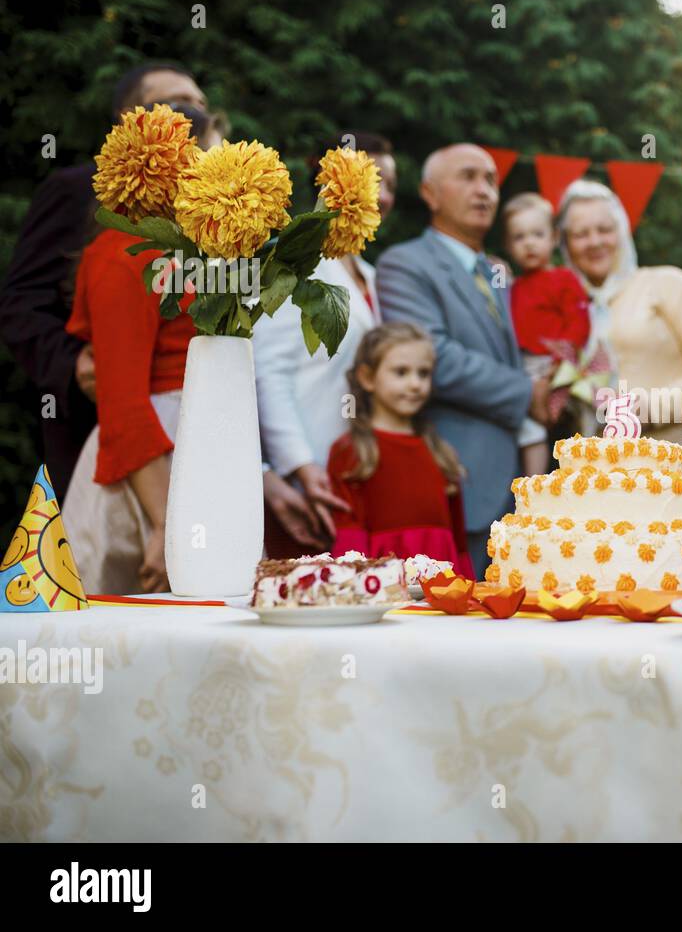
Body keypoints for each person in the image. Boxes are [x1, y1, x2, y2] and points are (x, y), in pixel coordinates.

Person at [0, 63, 206, 500]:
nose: (191, 114)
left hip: (190, 431)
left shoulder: (203, 210)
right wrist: (72, 364)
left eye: (200, 105)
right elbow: (20, 304)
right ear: (126, 119)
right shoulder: (76, 191)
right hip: (97, 421)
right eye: (174, 104)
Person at [59, 105, 219, 595]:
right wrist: (165, 526)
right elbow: (122, 398)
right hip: (149, 476)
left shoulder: (191, 251)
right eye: (205, 153)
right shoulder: (120, 254)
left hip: (193, 449)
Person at [376, 143, 550, 577]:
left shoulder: (497, 272)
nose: (484, 191)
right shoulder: (404, 264)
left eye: (491, 180)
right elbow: (434, 356)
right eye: (468, 177)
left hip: (520, 488)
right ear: (430, 194)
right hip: (456, 480)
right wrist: (527, 392)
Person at [253, 131, 398, 557]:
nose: (384, 196)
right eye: (374, 181)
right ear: (330, 182)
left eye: (390, 185)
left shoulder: (370, 274)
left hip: (354, 468)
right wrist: (299, 463)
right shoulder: (292, 262)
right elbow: (268, 369)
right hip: (305, 471)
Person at [556, 180, 682, 475]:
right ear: (565, 244)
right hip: (605, 480)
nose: (595, 241)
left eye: (604, 229)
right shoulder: (566, 308)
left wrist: (652, 407)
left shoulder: (665, 283)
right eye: (580, 234)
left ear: (623, 232)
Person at [326, 323, 473, 576]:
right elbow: (349, 539)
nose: (415, 384)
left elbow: (459, 543)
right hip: (381, 586)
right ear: (367, 378)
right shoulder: (350, 452)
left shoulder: (442, 453)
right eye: (401, 372)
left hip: (441, 586)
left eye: (423, 373)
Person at [501, 191, 591, 474]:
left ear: (553, 238)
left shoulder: (563, 279)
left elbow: (578, 324)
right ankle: (533, 486)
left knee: (571, 426)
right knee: (530, 431)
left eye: (537, 235)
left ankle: (575, 475)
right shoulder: (512, 287)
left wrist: (558, 367)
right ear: (508, 244)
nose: (529, 243)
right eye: (519, 237)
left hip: (555, 366)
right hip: (520, 367)